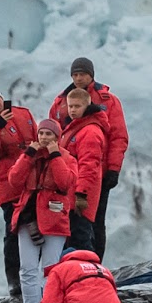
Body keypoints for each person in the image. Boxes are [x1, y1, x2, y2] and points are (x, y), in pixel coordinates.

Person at [13, 123, 93, 303]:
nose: (44, 137)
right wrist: (27, 156)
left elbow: (64, 183)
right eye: (41, 133)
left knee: (51, 269)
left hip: (55, 218)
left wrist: (55, 155)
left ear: (57, 137)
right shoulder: (30, 156)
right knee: (27, 270)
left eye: (49, 133)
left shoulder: (67, 158)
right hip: (29, 218)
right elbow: (14, 180)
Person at [53, 60, 129, 254]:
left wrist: (113, 168)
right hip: (66, 174)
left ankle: (94, 268)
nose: (79, 78)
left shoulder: (107, 100)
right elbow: (53, 133)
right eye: (75, 75)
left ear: (91, 75)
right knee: (69, 223)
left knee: (93, 221)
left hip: (97, 173)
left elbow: (118, 136)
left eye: (83, 74)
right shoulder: (61, 102)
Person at [0, 90, 42, 303]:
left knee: (41, 225)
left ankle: (42, 275)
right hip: (10, 183)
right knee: (13, 230)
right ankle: (14, 279)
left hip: (33, 176)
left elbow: (37, 136)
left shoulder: (22, 113)